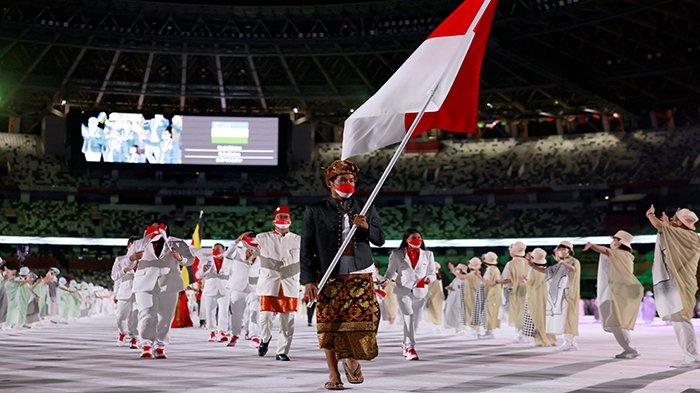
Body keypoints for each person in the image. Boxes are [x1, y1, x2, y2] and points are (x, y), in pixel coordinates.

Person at [301, 160, 384, 390]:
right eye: (342, 180)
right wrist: (308, 280)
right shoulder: (315, 210)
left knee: (366, 320)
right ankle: (333, 373)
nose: (348, 184)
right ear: (330, 183)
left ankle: (351, 357)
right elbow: (306, 247)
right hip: (329, 274)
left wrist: (366, 226)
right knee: (330, 324)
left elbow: (380, 239)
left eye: (351, 180)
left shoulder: (366, 207)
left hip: (360, 271)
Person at [127, 222, 193, 359]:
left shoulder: (178, 243)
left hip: (169, 283)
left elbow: (190, 260)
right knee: (146, 313)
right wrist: (133, 258)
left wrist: (180, 258)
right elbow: (125, 262)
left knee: (165, 317)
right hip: (144, 283)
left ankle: (160, 345)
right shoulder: (139, 243)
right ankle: (146, 344)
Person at [646, 205, 700, 368]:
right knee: (678, 318)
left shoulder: (687, 235)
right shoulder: (682, 235)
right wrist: (666, 227)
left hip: (682, 282)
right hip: (679, 281)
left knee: (682, 318)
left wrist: (650, 215)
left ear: (682, 223)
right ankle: (689, 355)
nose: (672, 220)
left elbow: (660, 226)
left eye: (675, 219)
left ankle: (692, 356)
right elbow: (664, 233)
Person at [584, 230, 643, 359]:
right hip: (618, 291)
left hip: (617, 292)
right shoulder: (623, 255)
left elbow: (605, 251)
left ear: (620, 242)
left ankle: (629, 349)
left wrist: (593, 246)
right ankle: (628, 348)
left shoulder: (621, 254)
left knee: (614, 322)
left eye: (615, 239)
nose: (613, 241)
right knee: (617, 322)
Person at [256, 205, 301, 361]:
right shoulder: (262, 238)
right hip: (269, 282)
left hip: (290, 283)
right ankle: (265, 338)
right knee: (265, 318)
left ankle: (281, 351)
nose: (283, 219)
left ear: (291, 221)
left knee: (287, 321)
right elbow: (250, 253)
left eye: (286, 217)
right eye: (280, 217)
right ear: (273, 220)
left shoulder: (298, 240)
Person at [383, 228, 437, 360]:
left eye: (419, 237)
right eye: (414, 238)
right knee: (408, 317)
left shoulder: (428, 254)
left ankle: (405, 344)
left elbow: (432, 273)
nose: (418, 240)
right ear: (406, 240)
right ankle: (410, 347)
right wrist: (386, 280)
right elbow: (390, 272)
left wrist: (428, 279)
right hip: (403, 290)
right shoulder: (396, 254)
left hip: (420, 291)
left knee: (415, 321)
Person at [224, 231, 261, 349]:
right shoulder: (237, 253)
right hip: (237, 288)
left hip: (254, 288)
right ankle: (235, 335)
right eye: (248, 246)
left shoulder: (261, 256)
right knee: (236, 315)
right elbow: (227, 254)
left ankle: (254, 336)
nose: (251, 249)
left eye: (253, 247)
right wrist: (237, 240)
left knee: (255, 311)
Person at [546, 240, 581, 351]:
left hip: (570, 294)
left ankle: (569, 342)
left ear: (569, 250)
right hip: (561, 296)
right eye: (559, 249)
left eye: (563, 249)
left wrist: (561, 262)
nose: (561, 251)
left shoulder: (574, 261)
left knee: (569, 317)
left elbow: (573, 270)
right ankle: (569, 342)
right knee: (563, 318)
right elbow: (548, 273)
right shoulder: (559, 264)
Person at [197, 243, 232, 343]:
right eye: (214, 249)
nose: (216, 251)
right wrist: (204, 271)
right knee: (210, 312)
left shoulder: (229, 261)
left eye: (218, 249)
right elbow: (198, 275)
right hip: (210, 289)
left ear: (223, 250)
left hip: (224, 289)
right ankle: (212, 331)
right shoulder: (206, 260)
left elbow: (233, 274)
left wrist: (227, 275)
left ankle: (222, 332)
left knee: (224, 311)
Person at [111, 236, 141, 348]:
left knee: (135, 317)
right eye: (133, 245)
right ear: (129, 246)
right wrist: (124, 270)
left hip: (139, 293)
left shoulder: (145, 261)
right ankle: (122, 332)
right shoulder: (120, 259)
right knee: (120, 317)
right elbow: (114, 276)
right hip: (125, 291)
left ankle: (134, 337)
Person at [525, 248, 557, 347]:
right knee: (547, 318)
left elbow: (531, 283)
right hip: (546, 297)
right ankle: (551, 339)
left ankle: (540, 339)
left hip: (535, 296)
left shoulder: (533, 270)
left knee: (537, 318)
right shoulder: (546, 269)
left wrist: (525, 281)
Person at [499, 241, 530, 343]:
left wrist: (498, 281)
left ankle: (519, 334)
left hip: (514, 291)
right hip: (526, 290)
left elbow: (507, 279)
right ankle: (523, 334)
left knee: (515, 312)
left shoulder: (510, 263)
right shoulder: (527, 263)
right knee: (523, 311)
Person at [481, 252, 502, 339]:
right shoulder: (496, 269)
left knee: (489, 312)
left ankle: (489, 332)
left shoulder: (489, 270)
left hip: (491, 293)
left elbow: (490, 282)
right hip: (496, 293)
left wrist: (479, 277)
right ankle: (490, 331)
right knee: (493, 311)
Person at [443, 263, 464, 333]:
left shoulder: (463, 278)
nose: (456, 270)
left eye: (458, 269)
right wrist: (449, 288)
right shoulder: (456, 279)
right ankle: (453, 326)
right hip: (452, 297)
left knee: (458, 312)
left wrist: (452, 269)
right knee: (449, 310)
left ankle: (459, 328)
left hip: (459, 297)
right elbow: (452, 287)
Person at [424, 262, 444, 328]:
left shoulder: (433, 277)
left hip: (434, 296)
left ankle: (436, 324)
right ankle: (436, 323)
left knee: (434, 311)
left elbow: (430, 287)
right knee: (436, 311)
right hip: (436, 296)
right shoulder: (437, 276)